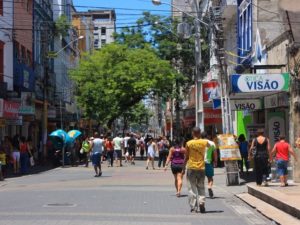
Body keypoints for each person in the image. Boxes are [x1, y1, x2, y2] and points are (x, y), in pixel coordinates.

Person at [183, 127, 211, 213]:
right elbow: (210, 146)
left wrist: (183, 167)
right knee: (201, 187)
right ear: (199, 133)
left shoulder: (188, 143)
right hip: (201, 168)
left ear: (192, 133)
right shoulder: (204, 142)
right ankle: (201, 202)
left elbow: (186, 156)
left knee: (192, 188)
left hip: (191, 167)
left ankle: (194, 207)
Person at [202, 132, 217, 199]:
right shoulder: (212, 143)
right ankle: (209, 187)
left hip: (199, 163)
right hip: (208, 162)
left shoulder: (198, 143)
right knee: (210, 178)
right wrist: (215, 161)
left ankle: (201, 193)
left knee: (200, 179)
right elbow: (215, 154)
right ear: (207, 136)